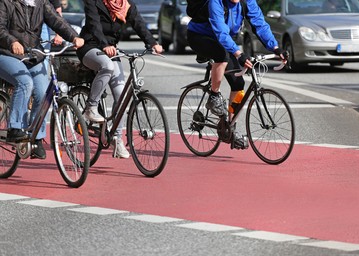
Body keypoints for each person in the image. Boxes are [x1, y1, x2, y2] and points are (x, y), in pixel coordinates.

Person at [187, 0, 287, 149]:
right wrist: (239, 53)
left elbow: (260, 24)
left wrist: (276, 48)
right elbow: (220, 32)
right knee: (221, 55)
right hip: (200, 36)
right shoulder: (216, 2)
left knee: (238, 83)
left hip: (226, 40)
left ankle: (230, 128)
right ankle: (214, 97)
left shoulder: (247, 2)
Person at [77, 0, 163, 158]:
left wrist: (152, 43)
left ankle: (117, 139)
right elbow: (94, 24)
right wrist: (103, 45)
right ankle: (91, 107)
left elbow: (138, 23)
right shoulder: (93, 2)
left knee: (121, 95)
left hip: (110, 50)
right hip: (90, 46)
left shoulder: (125, 4)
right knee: (107, 67)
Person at [0, 0, 84, 159]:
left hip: (31, 54)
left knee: (43, 92)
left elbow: (56, 20)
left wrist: (73, 37)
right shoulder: (6, 2)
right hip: (5, 53)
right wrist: (12, 41)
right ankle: (15, 128)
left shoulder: (40, 2)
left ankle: (36, 137)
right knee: (25, 82)